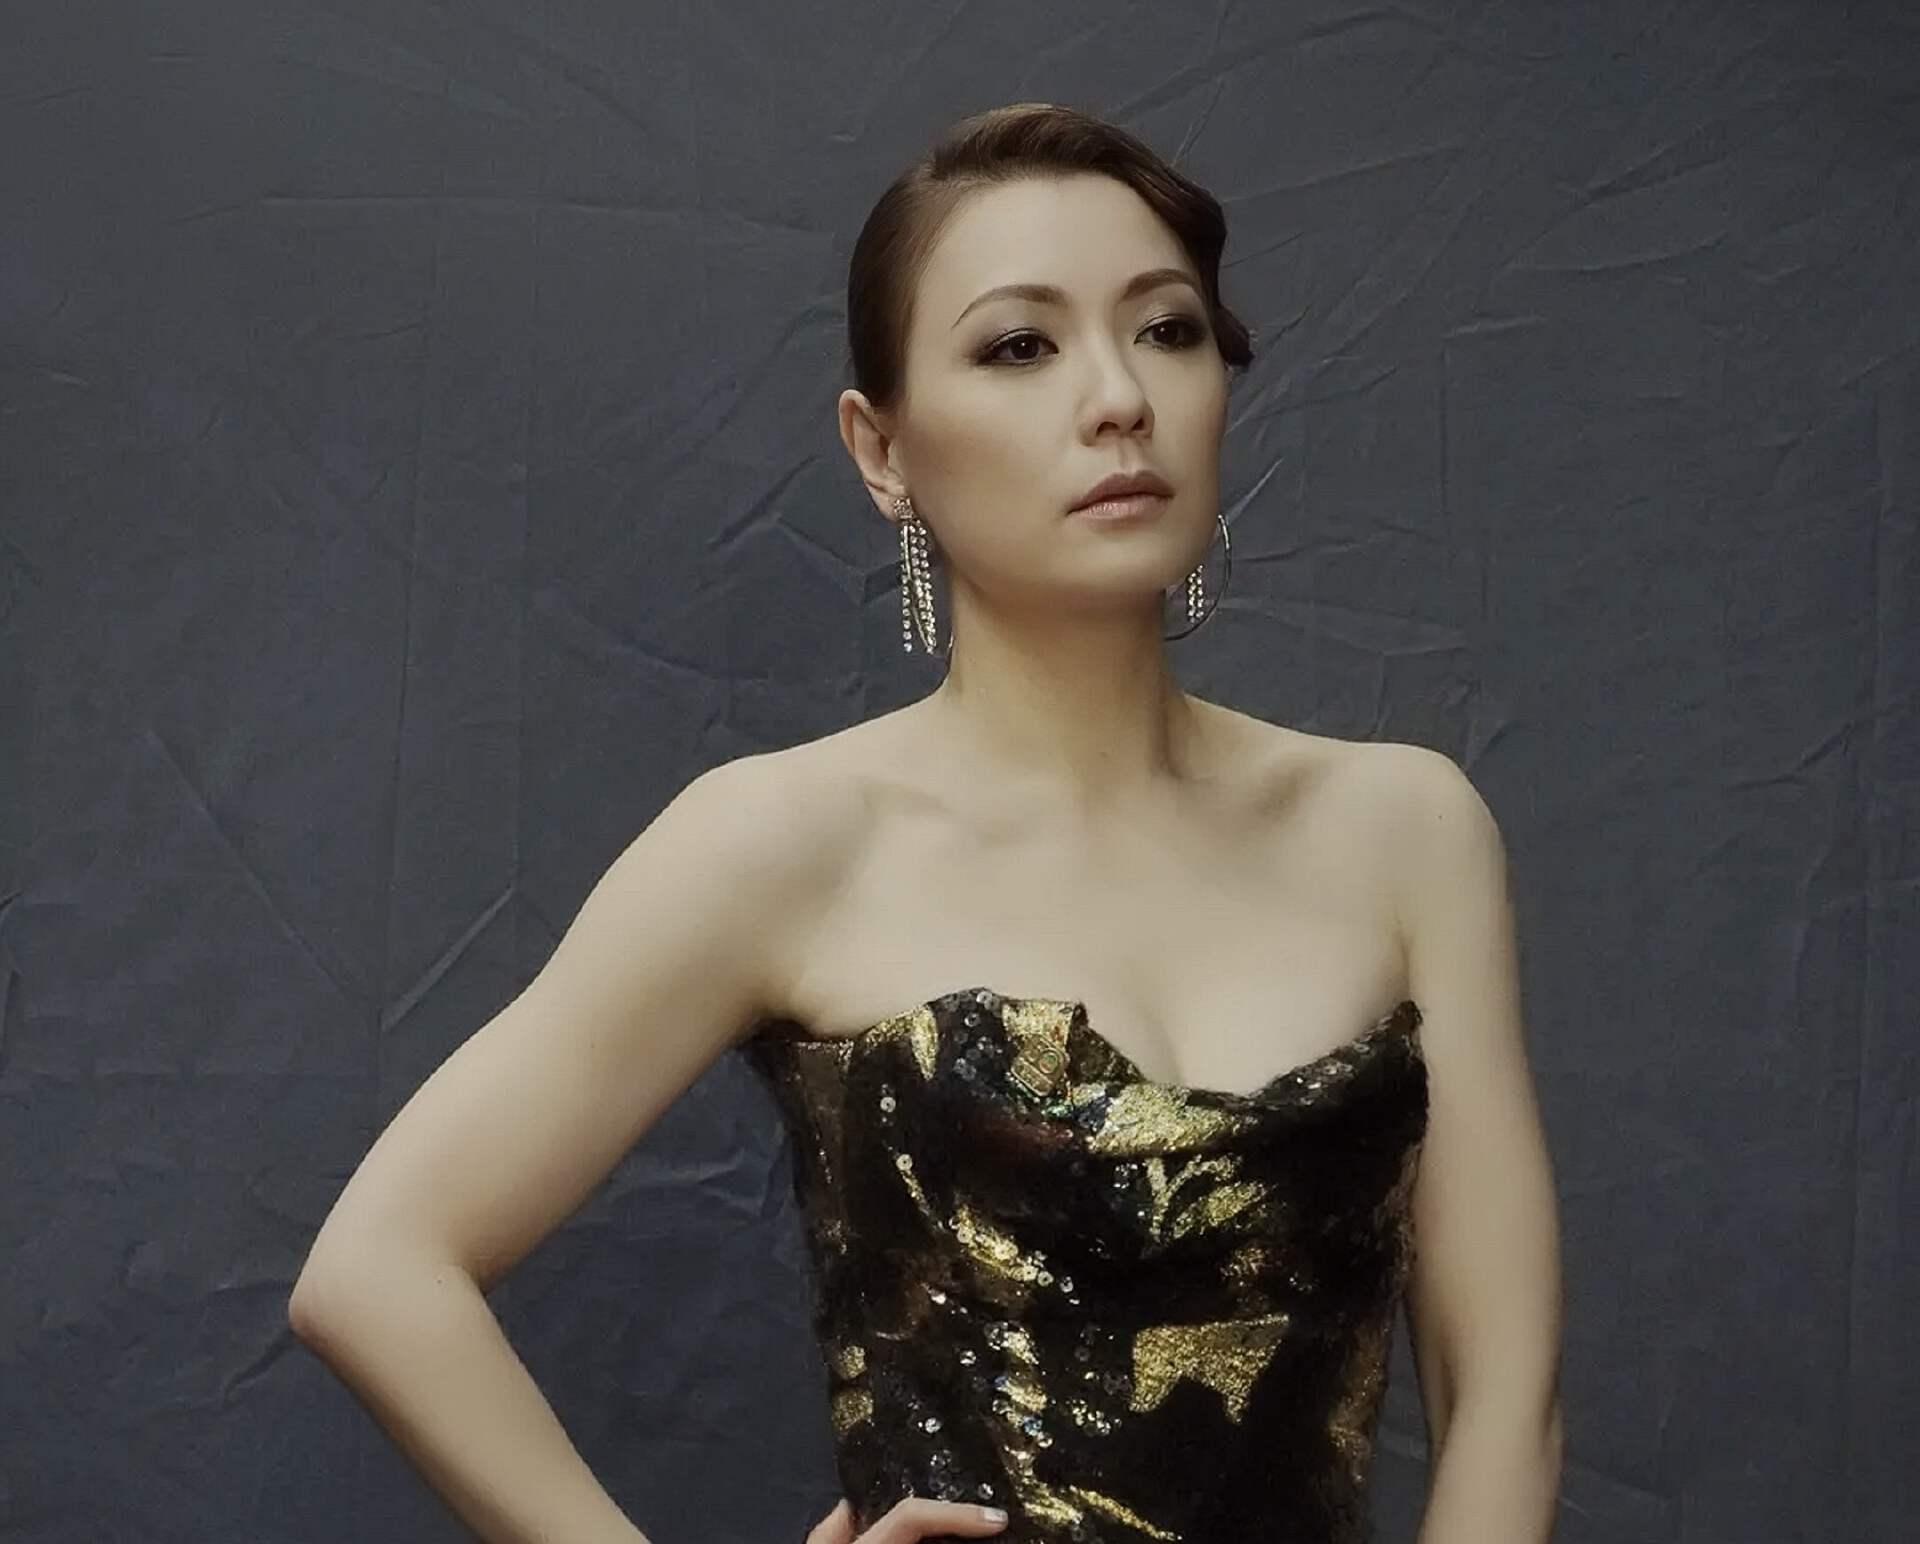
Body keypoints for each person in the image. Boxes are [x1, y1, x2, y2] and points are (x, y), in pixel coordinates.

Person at [288, 101, 1564, 1544]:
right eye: (1020, 346)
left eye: (1167, 329)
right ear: (881, 449)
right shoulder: (788, 843)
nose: (1118, 398)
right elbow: (378, 1269)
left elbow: (1505, 1400)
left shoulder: (1406, 830)